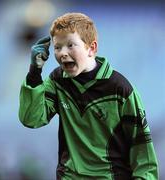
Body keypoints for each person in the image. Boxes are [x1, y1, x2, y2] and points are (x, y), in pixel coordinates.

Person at [19, 12, 159, 179]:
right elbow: (31, 119)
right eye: (58, 47)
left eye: (71, 45)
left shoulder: (120, 89)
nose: (63, 53)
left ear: (91, 48)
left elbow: (142, 149)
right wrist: (34, 73)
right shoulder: (58, 81)